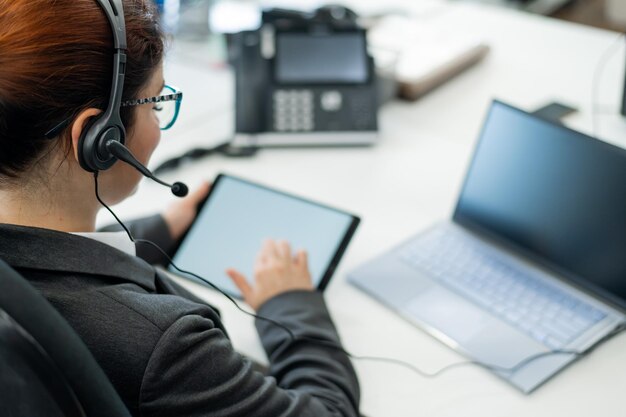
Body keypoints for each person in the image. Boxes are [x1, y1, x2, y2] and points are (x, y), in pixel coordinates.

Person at [0, 1, 360, 416]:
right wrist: (292, 304)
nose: (157, 121)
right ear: (97, 139)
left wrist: (159, 229)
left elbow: (41, 257)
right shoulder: (168, 347)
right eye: (154, 105)